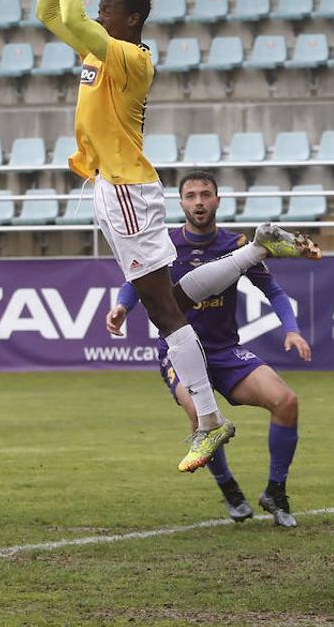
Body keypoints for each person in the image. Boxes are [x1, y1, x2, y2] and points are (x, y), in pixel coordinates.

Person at [38, 0, 319, 472]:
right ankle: (258, 247)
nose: (98, 16)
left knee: (165, 314)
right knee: (177, 298)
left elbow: (70, 10)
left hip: (125, 187)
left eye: (108, 11)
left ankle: (210, 422)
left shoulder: (131, 58)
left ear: (133, 19)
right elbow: (50, 11)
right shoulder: (100, 53)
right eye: (100, 11)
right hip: (110, 185)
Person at [105, 172, 306, 527]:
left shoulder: (236, 244)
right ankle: (230, 490)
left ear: (217, 201)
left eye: (205, 194)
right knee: (202, 418)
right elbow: (134, 283)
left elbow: (273, 290)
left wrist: (291, 329)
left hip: (225, 351)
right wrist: (122, 307)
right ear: (180, 203)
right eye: (191, 195)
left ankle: (276, 491)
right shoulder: (164, 246)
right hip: (178, 353)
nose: (198, 201)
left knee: (286, 402)